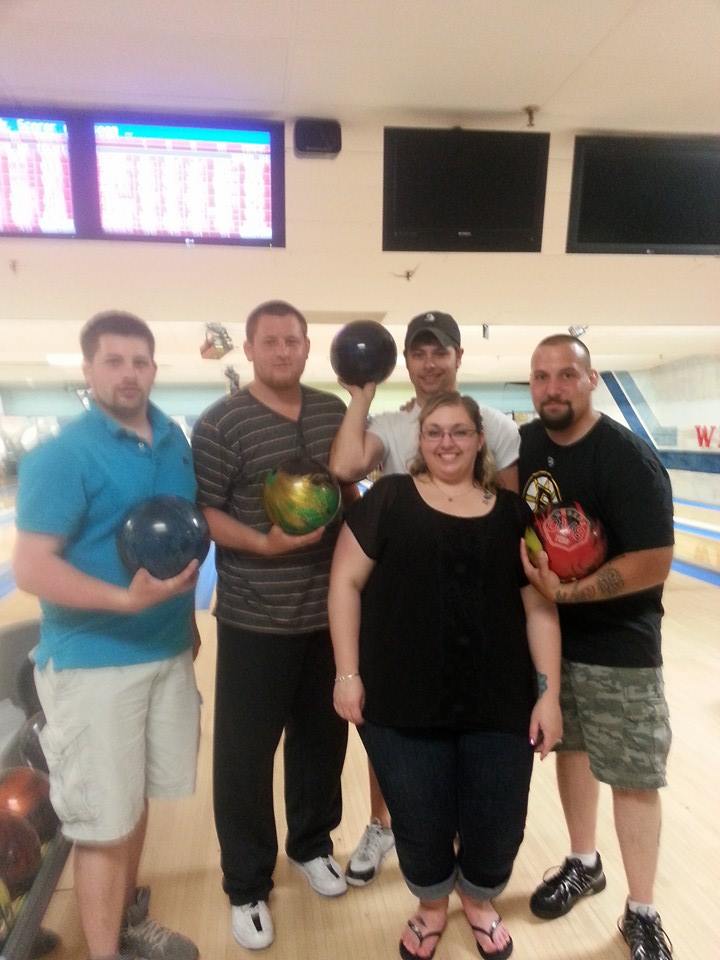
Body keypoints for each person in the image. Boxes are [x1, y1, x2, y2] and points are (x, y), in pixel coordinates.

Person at [329, 391, 562, 960]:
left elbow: (538, 606)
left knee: (497, 818)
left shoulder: (512, 515)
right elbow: (344, 585)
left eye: (459, 431)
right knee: (419, 817)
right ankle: (432, 907)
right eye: (434, 432)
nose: (446, 442)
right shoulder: (388, 498)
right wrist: (347, 674)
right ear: (419, 440)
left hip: (499, 701)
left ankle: (480, 901)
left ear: (480, 440)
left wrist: (548, 695)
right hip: (401, 699)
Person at [13, 310, 201, 960]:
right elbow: (32, 566)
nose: (128, 373)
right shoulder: (62, 456)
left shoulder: (172, 437)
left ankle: (122, 921)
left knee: (134, 804)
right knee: (101, 824)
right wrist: (125, 600)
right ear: (89, 368)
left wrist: (182, 629)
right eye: (113, 361)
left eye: (139, 361)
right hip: (94, 667)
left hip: (166, 653)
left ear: (153, 367)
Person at [330, 310, 521, 885]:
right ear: (405, 362)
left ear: (459, 357)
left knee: (468, 753)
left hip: (474, 620)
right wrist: (362, 391)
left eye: (441, 351)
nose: (431, 362)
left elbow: (509, 527)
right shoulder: (388, 425)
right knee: (394, 734)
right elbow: (343, 465)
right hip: (402, 614)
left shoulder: (496, 427)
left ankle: (458, 845)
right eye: (419, 352)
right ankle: (384, 825)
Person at [191, 299, 349, 951]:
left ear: (308, 347)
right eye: (269, 341)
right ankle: (247, 884)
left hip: (327, 616)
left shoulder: (332, 412)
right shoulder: (222, 423)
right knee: (244, 759)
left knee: (322, 744)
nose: (283, 351)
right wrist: (264, 546)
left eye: (293, 340)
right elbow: (206, 511)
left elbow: (349, 491)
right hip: (256, 615)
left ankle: (312, 846)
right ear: (249, 349)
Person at [518, 334, 675, 960]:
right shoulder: (526, 446)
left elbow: (654, 562)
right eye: (540, 377)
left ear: (590, 380)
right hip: (552, 645)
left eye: (565, 375)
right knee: (572, 752)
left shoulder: (627, 458)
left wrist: (570, 594)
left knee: (633, 776)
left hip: (621, 644)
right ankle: (584, 862)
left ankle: (642, 910)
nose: (552, 388)